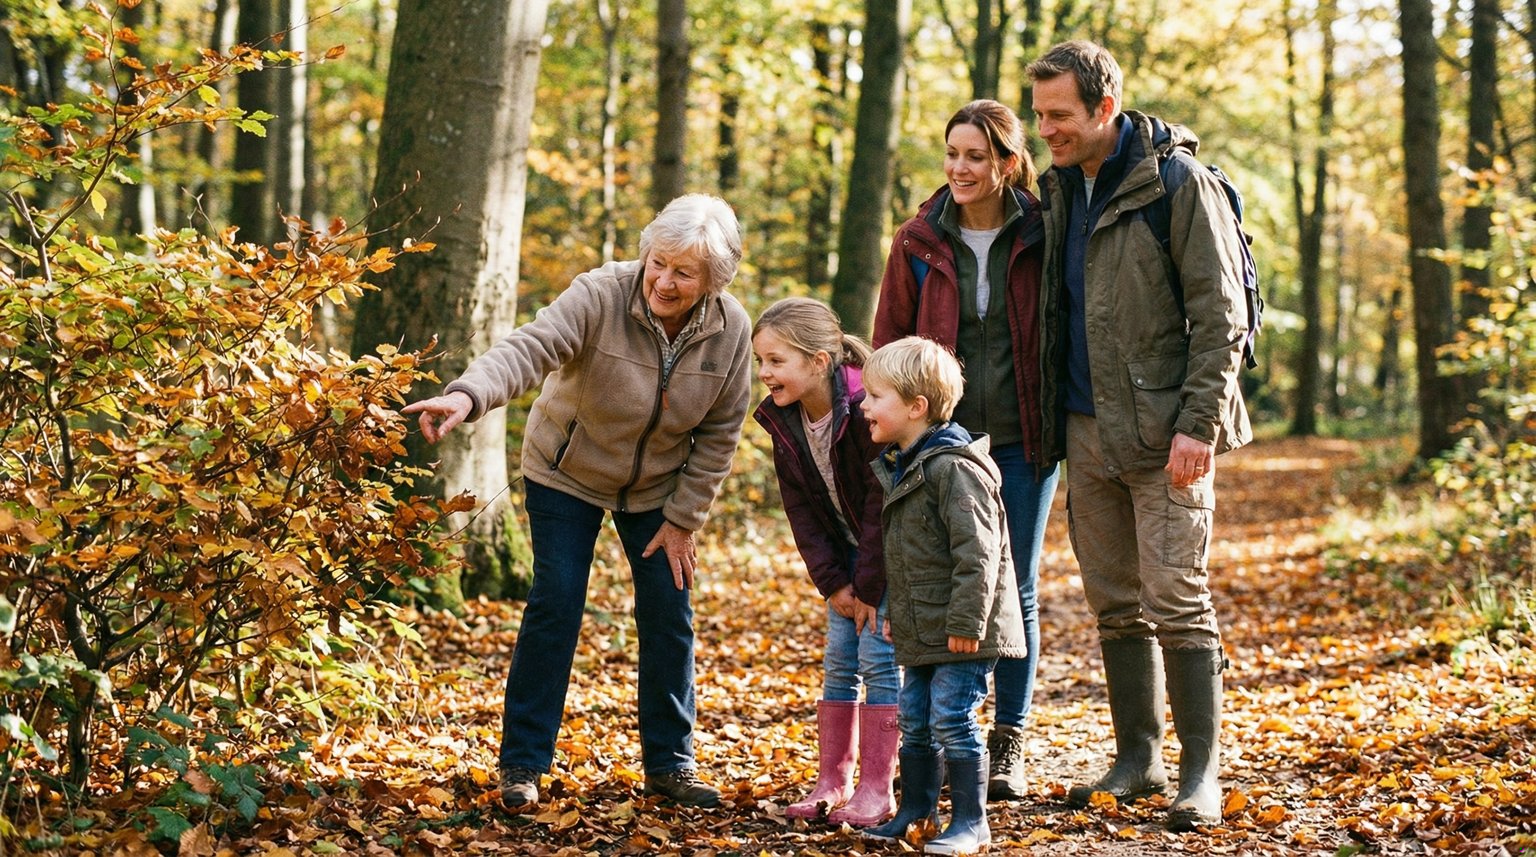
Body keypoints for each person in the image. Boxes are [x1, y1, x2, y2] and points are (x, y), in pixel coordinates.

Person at [402, 194, 753, 809]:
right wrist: (467, 396)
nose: (664, 282)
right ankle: (522, 765)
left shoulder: (732, 331)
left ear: (714, 281)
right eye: (658, 263)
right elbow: (530, 348)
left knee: (670, 613)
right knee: (557, 603)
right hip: (566, 472)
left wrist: (683, 520)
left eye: (684, 273)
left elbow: (721, 433)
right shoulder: (600, 295)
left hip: (657, 489)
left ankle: (671, 764)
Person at [1026, 40, 1253, 832]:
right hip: (1086, 430)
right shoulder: (1058, 192)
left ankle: (1201, 772)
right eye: (1039, 113)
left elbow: (1223, 318)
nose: (1044, 128)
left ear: (1103, 110)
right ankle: (1137, 758)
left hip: (1169, 433)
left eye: (1059, 115)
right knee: (1115, 603)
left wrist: (1199, 425)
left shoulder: (1177, 183)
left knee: (1177, 598)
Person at [872, 98, 1060, 801]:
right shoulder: (917, 240)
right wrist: (887, 428)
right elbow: (890, 340)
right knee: (928, 580)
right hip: (935, 446)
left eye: (976, 156)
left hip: (1022, 438)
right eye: (952, 154)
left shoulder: (1044, 233)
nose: (960, 168)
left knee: (1015, 584)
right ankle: (935, 739)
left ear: (1009, 163)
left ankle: (1003, 742)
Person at [858, 337, 1025, 856]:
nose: (863, 405)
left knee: (952, 715)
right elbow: (910, 557)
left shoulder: (954, 468)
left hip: (963, 628)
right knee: (915, 717)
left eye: (875, 396)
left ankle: (972, 822)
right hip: (923, 622)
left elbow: (979, 555)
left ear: (916, 407)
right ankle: (916, 811)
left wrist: (967, 623)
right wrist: (897, 615)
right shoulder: (905, 463)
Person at [751, 298, 900, 827]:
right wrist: (833, 582)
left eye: (775, 361)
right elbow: (801, 510)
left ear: (818, 361)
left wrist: (866, 583)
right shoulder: (784, 419)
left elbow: (882, 503)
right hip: (846, 561)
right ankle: (832, 781)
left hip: (890, 556)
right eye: (760, 362)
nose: (764, 374)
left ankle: (878, 787)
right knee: (840, 661)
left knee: (879, 660)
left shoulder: (865, 407)